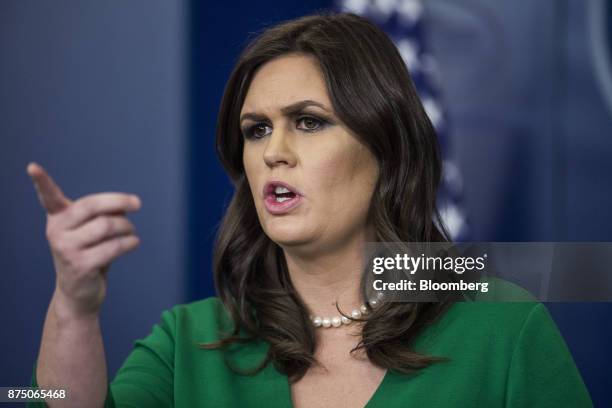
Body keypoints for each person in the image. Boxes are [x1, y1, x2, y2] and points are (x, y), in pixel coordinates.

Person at [28, 12, 592, 408]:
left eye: (309, 122)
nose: (273, 152)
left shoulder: (503, 326)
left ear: (385, 148)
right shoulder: (189, 342)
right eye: (256, 130)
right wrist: (74, 310)